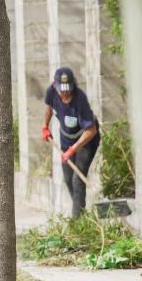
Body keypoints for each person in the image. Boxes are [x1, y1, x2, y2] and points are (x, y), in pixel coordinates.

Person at [42, 66, 100, 218]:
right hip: (66, 139)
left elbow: (91, 130)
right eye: (62, 89)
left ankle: (77, 221)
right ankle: (81, 212)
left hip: (86, 141)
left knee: (77, 179)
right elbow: (48, 108)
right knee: (68, 178)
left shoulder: (80, 99)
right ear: (55, 85)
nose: (66, 92)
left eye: (68, 88)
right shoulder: (51, 91)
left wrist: (73, 149)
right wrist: (45, 127)